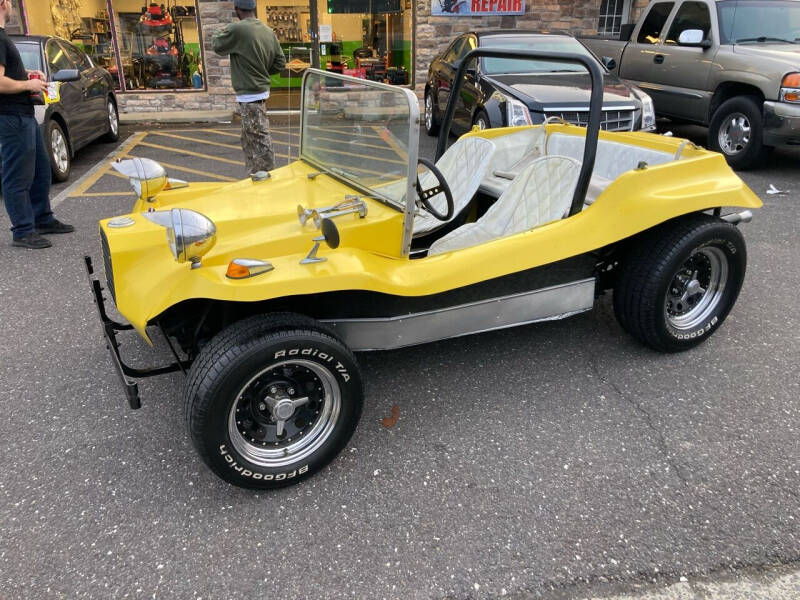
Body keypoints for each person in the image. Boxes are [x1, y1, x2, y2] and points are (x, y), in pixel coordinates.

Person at [0, 0, 74, 249]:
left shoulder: (3, 37)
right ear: (2, 4)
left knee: (42, 171)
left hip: (23, 115)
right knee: (17, 176)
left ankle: (43, 219)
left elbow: (8, 73)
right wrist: (27, 85)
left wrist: (30, 73)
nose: (10, 6)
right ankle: (22, 231)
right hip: (10, 117)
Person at [212, 0, 286, 174]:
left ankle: (266, 178)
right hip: (258, 92)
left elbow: (217, 46)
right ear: (254, 8)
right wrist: (262, 70)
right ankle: (254, 175)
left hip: (249, 94)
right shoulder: (268, 31)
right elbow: (280, 62)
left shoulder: (238, 29)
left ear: (237, 10)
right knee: (249, 138)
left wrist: (218, 31)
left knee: (259, 139)